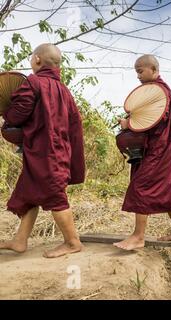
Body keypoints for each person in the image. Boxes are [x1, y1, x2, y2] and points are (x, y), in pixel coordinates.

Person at [0, 43, 85, 258]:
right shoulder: (65, 91)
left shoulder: (33, 83)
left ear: (37, 59)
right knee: (29, 193)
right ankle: (20, 241)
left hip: (45, 153)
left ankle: (73, 242)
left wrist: (6, 114)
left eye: (31, 58)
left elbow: (18, 115)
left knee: (55, 195)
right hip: (56, 151)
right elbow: (75, 124)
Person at [113, 54, 171, 251]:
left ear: (153, 70)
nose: (137, 75)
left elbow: (154, 120)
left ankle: (138, 237)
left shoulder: (160, 92)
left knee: (141, 186)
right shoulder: (153, 92)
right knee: (165, 189)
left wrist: (127, 123)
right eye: (136, 72)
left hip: (159, 148)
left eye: (140, 71)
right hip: (158, 147)